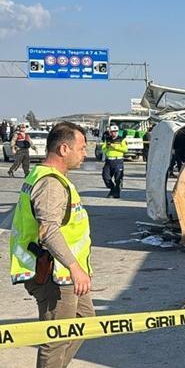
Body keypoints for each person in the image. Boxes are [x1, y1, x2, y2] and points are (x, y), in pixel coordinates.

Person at [9, 121, 94, 368]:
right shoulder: (50, 184)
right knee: (56, 338)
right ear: (64, 149)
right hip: (53, 272)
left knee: (84, 320)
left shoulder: (49, 176)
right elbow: (49, 231)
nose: (85, 153)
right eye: (82, 148)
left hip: (64, 271)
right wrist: (74, 266)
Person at [101, 124, 127, 198]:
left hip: (118, 160)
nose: (114, 133)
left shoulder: (122, 139)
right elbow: (103, 148)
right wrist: (107, 149)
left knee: (118, 178)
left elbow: (125, 149)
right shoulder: (107, 139)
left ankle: (116, 192)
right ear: (110, 132)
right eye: (112, 131)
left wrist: (114, 147)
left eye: (115, 131)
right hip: (109, 160)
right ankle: (112, 188)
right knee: (105, 176)